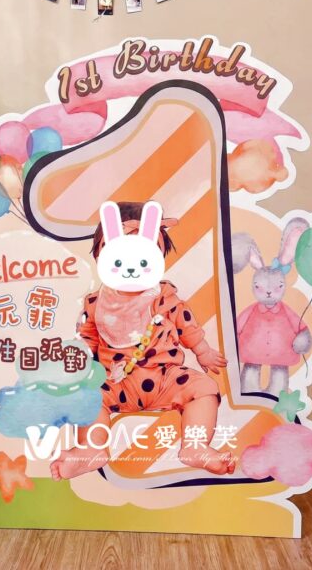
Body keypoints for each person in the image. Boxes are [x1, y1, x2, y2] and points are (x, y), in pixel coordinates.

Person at [49, 201, 234, 480]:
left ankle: (195, 446)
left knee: (204, 388)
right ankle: (91, 449)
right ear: (100, 257)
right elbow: (87, 337)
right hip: (114, 381)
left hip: (165, 377)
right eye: (119, 261)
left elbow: (186, 323)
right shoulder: (96, 303)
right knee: (86, 397)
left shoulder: (164, 296)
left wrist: (202, 350)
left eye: (143, 260)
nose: (131, 269)